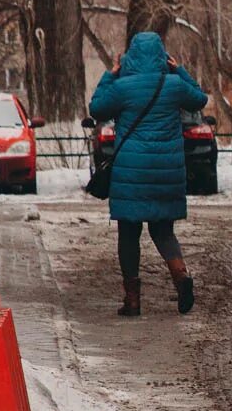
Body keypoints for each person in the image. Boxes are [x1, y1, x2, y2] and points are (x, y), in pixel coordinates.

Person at [89, 31, 208, 317]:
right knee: (163, 229)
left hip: (131, 172)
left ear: (130, 57)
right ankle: (181, 277)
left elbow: (96, 107)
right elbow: (200, 100)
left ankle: (132, 301)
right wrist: (179, 69)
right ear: (161, 56)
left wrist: (111, 74)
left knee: (129, 233)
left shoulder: (123, 87)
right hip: (166, 171)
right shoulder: (175, 85)